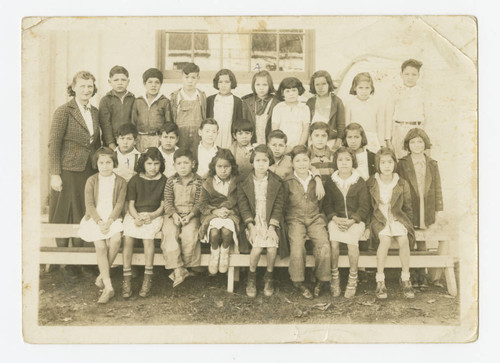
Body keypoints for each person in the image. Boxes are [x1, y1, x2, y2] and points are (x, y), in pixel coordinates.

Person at [48, 71, 103, 271]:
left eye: (90, 86)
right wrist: (55, 174)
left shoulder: (95, 112)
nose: (86, 90)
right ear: (73, 88)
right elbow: (53, 145)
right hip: (67, 171)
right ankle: (65, 263)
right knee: (64, 213)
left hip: (88, 171)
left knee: (83, 212)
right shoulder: (64, 111)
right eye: (82, 86)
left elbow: (96, 143)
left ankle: (80, 261)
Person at [78, 147, 127, 303]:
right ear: (96, 163)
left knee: (116, 240)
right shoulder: (91, 180)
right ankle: (108, 286)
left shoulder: (121, 181)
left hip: (113, 218)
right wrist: (99, 222)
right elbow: (90, 205)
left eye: (108, 162)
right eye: (101, 162)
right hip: (94, 218)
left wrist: (110, 221)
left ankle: (101, 275)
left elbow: (119, 204)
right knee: (100, 246)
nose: (105, 166)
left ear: (114, 163)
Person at [237, 145, 287, 298]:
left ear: (269, 162)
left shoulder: (277, 182)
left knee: (272, 248)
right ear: (252, 161)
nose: (261, 164)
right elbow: (243, 207)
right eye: (257, 160)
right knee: (257, 248)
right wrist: (251, 226)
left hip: (270, 220)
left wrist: (272, 227)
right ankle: (251, 277)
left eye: (264, 160)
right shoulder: (244, 182)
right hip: (253, 221)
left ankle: (269, 277)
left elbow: (279, 206)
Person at [283, 145, 331, 299]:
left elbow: (322, 202)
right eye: (298, 161)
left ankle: (321, 279)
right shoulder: (288, 181)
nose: (302, 164)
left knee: (323, 245)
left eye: (305, 160)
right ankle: (298, 282)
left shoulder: (316, 180)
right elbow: (283, 204)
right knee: (297, 246)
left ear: (310, 161)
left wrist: (318, 179)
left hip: (314, 217)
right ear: (292, 163)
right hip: (295, 219)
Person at [397, 128, 443, 287]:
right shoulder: (402, 164)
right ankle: (410, 273)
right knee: (411, 238)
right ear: (407, 145)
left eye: (420, 142)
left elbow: (437, 188)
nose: (416, 145)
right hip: (410, 206)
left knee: (423, 238)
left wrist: (438, 210)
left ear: (425, 144)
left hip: (426, 206)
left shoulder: (432, 163)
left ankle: (422, 273)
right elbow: (399, 188)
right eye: (413, 142)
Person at [367, 147, 415, 299]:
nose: (386, 166)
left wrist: (408, 223)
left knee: (403, 240)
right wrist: (369, 225)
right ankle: (380, 280)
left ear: (394, 163)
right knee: (385, 240)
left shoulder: (401, 183)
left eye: (390, 162)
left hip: (396, 217)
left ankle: (406, 278)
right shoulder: (371, 182)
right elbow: (368, 207)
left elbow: (408, 207)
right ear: (377, 165)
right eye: (383, 163)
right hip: (379, 217)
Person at [323, 147, 370, 299]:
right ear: (336, 162)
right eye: (340, 160)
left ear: (353, 162)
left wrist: (353, 220)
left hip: (355, 221)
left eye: (347, 160)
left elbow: (364, 206)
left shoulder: (360, 181)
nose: (344, 163)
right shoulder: (331, 181)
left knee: (351, 243)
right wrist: (335, 218)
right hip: (336, 219)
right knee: (334, 242)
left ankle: (353, 277)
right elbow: (327, 205)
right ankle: (334, 276)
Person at [122, 148, 167, 298]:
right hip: (135, 214)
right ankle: (126, 277)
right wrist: (136, 217)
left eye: (156, 163)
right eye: (149, 163)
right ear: (143, 164)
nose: (152, 167)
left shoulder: (164, 180)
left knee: (148, 238)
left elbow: (162, 206)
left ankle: (148, 277)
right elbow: (131, 205)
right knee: (128, 237)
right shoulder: (135, 180)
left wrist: (151, 216)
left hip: (154, 215)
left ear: (161, 164)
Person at [161, 149, 203, 287]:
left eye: (186, 163)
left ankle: (183, 268)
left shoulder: (198, 181)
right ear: (174, 165)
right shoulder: (171, 181)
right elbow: (167, 201)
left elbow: (199, 202)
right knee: (169, 234)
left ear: (193, 164)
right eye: (179, 163)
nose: (183, 166)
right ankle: (178, 268)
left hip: (191, 214)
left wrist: (191, 215)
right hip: (173, 214)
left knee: (189, 235)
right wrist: (173, 215)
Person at [198, 149, 240, 275]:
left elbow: (239, 202)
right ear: (214, 167)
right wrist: (215, 211)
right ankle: (214, 253)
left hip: (231, 212)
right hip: (211, 213)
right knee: (215, 233)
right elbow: (202, 204)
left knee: (226, 232)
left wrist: (228, 210)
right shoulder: (208, 182)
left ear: (232, 167)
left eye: (226, 167)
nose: (223, 170)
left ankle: (225, 253)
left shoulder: (236, 182)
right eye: (219, 166)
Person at [267, 129, 325, 199]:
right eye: (274, 145)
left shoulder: (290, 160)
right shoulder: (264, 160)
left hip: (287, 196)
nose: (277, 148)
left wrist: (318, 180)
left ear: (285, 147)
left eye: (281, 145)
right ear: (268, 145)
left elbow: (311, 168)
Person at [385, 59, 426, 158]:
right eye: (407, 74)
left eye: (413, 74)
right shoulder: (394, 91)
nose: (410, 77)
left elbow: (426, 116)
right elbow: (389, 115)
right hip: (399, 130)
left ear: (418, 76)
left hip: (417, 131)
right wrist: (388, 139)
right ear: (401, 74)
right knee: (400, 162)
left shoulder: (422, 92)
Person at [131, 68, 172, 152]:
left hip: (157, 139)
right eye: (150, 82)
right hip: (140, 138)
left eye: (157, 82)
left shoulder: (165, 101)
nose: (153, 85)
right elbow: (133, 121)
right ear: (144, 84)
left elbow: (168, 124)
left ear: (161, 84)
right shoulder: (138, 101)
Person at [170, 63, 207, 153]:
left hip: (197, 135)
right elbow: (172, 117)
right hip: (180, 134)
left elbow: (204, 116)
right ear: (182, 78)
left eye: (193, 77)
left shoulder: (201, 96)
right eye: (187, 77)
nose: (190, 81)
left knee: (196, 157)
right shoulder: (176, 96)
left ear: (198, 78)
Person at [344, 72, 385, 153]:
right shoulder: (349, 103)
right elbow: (347, 125)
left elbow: (380, 125)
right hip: (355, 138)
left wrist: (382, 144)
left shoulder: (376, 103)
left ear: (371, 88)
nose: (364, 91)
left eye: (367, 88)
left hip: (372, 139)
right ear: (355, 88)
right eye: (360, 88)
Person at [306, 70, 345, 150]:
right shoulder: (310, 102)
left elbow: (341, 125)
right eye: (317, 84)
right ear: (313, 86)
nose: (320, 87)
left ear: (329, 84)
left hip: (331, 141)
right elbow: (306, 124)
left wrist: (338, 142)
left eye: (324, 84)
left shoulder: (337, 101)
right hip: (313, 141)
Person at [99, 65, 135, 149]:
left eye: (123, 80)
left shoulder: (133, 99)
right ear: (109, 81)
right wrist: (111, 143)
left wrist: (132, 141)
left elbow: (135, 122)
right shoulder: (105, 100)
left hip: (129, 142)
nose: (120, 83)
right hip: (111, 143)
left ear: (128, 81)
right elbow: (105, 125)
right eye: (116, 80)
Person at [206, 69, 243, 149]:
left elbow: (238, 122)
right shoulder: (210, 100)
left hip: (228, 136)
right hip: (214, 135)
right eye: (220, 82)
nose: (223, 85)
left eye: (227, 82)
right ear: (217, 84)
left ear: (232, 83)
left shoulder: (237, 101)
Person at [271, 77, 310, 149]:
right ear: (282, 93)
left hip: (299, 146)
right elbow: (275, 131)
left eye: (294, 90)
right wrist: (282, 146)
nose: (291, 94)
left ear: (299, 91)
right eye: (287, 91)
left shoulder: (304, 108)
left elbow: (305, 130)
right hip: (282, 147)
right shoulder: (278, 108)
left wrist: (299, 146)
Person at [242, 70, 279, 144]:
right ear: (253, 85)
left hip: (270, 142)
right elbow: (244, 124)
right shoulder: (246, 102)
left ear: (270, 85)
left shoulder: (276, 102)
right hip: (251, 142)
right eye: (258, 85)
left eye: (265, 85)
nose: (261, 88)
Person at [228, 118, 255, 182]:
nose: (244, 136)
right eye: (240, 134)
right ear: (234, 135)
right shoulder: (231, 150)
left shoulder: (256, 150)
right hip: (235, 183)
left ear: (252, 134)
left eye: (247, 133)